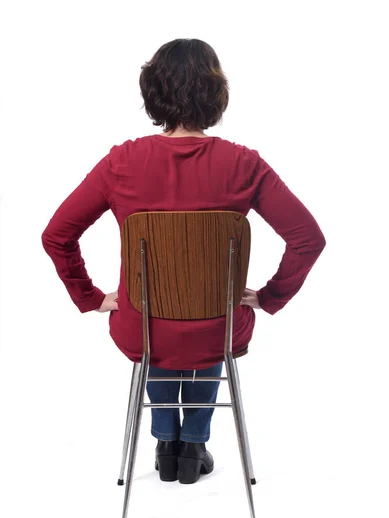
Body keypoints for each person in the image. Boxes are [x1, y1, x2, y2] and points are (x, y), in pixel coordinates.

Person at [41, 38, 326, 485]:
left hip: (144, 325)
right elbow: (308, 238)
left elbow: (57, 234)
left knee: (157, 321)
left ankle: (163, 439)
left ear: (153, 93)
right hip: (220, 325)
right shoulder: (244, 164)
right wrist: (269, 297)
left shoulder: (122, 163)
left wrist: (92, 299)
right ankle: (193, 443)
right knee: (208, 317)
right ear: (216, 95)